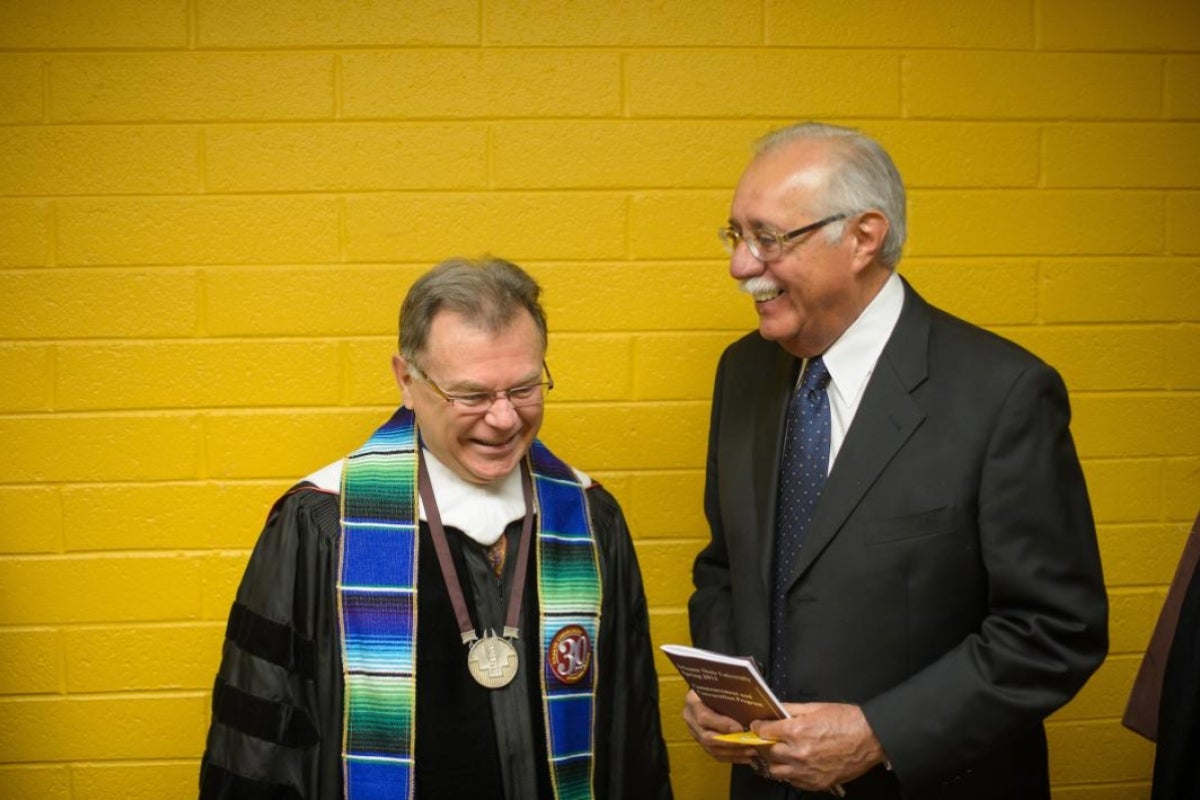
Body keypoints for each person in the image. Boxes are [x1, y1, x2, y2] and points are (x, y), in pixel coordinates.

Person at [684, 122, 1108, 799]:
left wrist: (878, 734)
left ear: (863, 237)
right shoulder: (742, 373)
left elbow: (1055, 633)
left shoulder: (1003, 394)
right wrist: (731, 693)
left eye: (769, 238)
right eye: (736, 236)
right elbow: (724, 568)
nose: (741, 265)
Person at [199, 257, 673, 800]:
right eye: (471, 396)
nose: (503, 419)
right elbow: (259, 747)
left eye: (523, 388)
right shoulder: (324, 526)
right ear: (407, 380)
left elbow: (630, 732)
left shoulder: (588, 520)